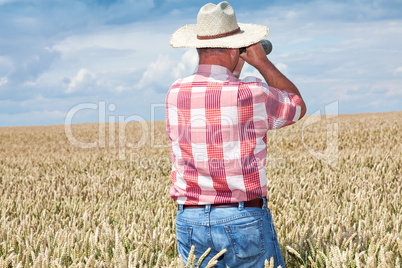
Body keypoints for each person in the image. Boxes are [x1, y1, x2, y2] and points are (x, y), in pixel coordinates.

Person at [166, 1, 306, 267]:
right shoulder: (252, 93)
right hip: (242, 218)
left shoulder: (175, 92)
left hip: (189, 222)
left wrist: (233, 67)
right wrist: (262, 62)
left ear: (198, 45)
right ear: (235, 49)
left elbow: (215, 100)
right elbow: (296, 105)